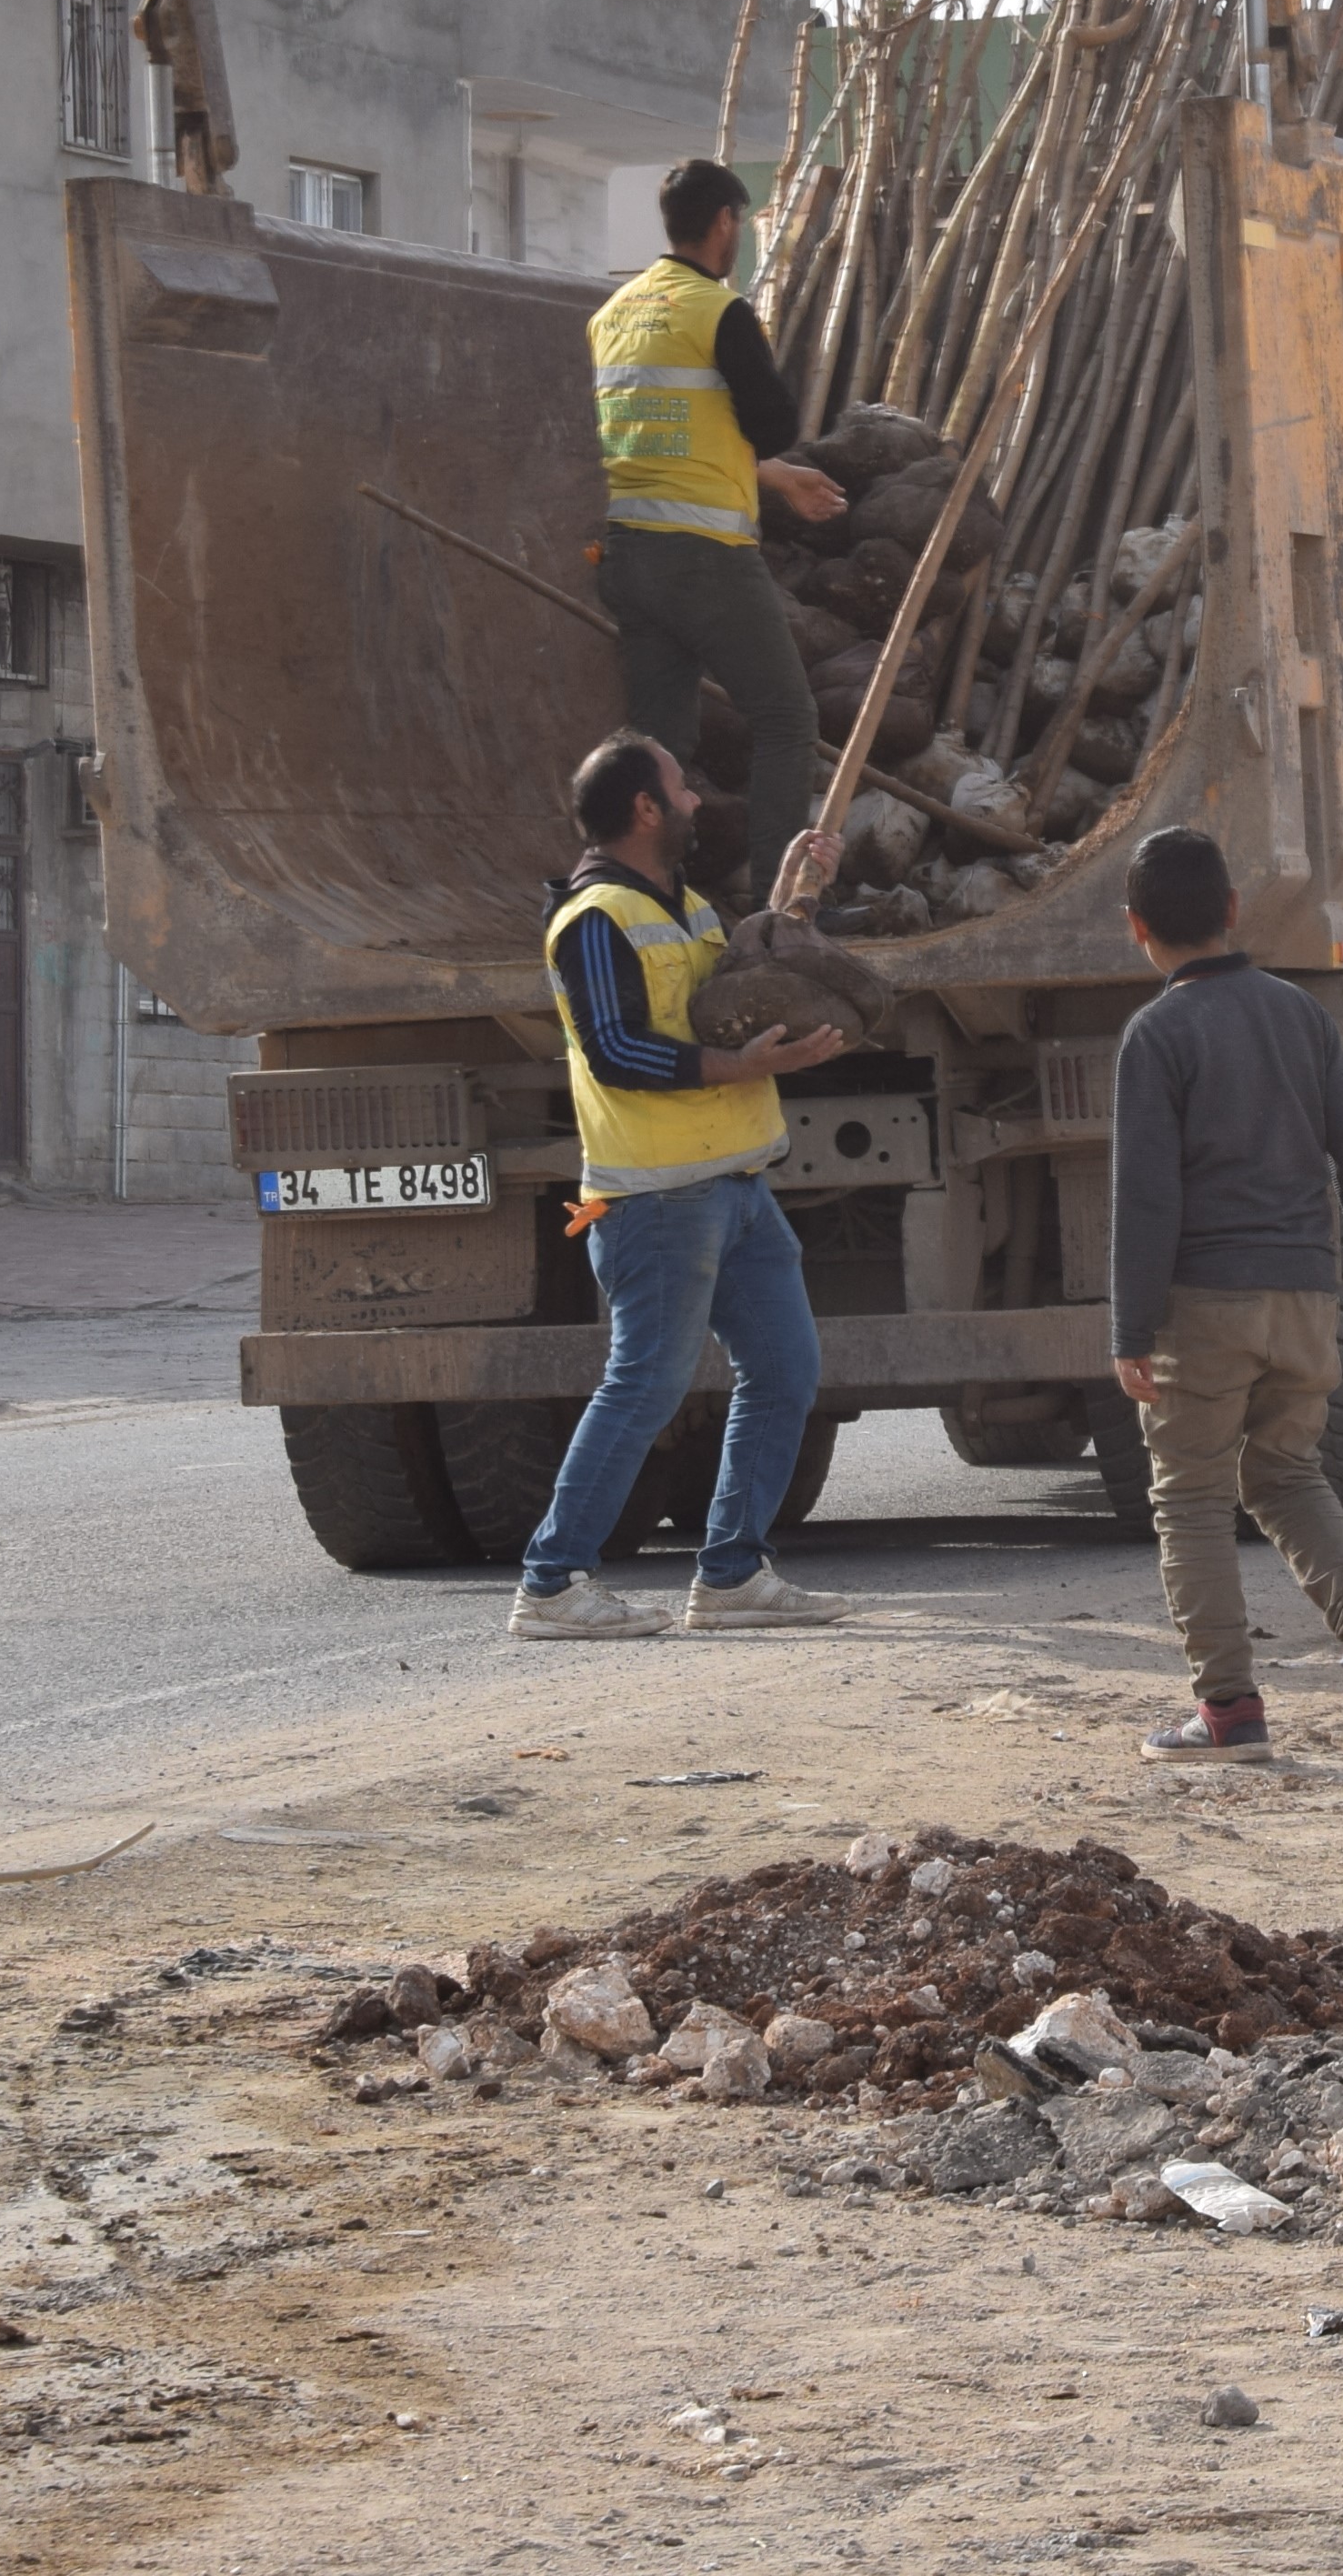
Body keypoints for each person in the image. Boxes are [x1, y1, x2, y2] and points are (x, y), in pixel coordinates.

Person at [1103, 826, 1343, 1768]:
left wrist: (1130, 1325)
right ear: (1233, 911)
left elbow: (1146, 1195)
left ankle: (1227, 1711)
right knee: (1286, 1475)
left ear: (1136, 926)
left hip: (1203, 1304)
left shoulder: (1156, 1035)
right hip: (1304, 1298)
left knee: (1190, 1499)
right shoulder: (1300, 1016)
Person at [504, 730, 857, 1639]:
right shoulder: (594, 919)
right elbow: (616, 1051)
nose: (698, 801)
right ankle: (551, 1585)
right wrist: (741, 1067)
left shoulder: (687, 907)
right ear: (645, 809)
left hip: (736, 1187)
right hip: (658, 1200)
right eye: (683, 788)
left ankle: (732, 1575)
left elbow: (735, 989)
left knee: (784, 1373)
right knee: (645, 1389)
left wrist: (794, 893)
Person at [590, 155, 838, 909]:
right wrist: (777, 452)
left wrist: (774, 476)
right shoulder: (717, 310)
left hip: (630, 555)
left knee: (656, 751)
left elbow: (674, 433)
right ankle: (780, 907)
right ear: (726, 222)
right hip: (706, 561)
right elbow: (773, 421)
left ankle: (638, 898)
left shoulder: (615, 313)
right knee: (787, 719)